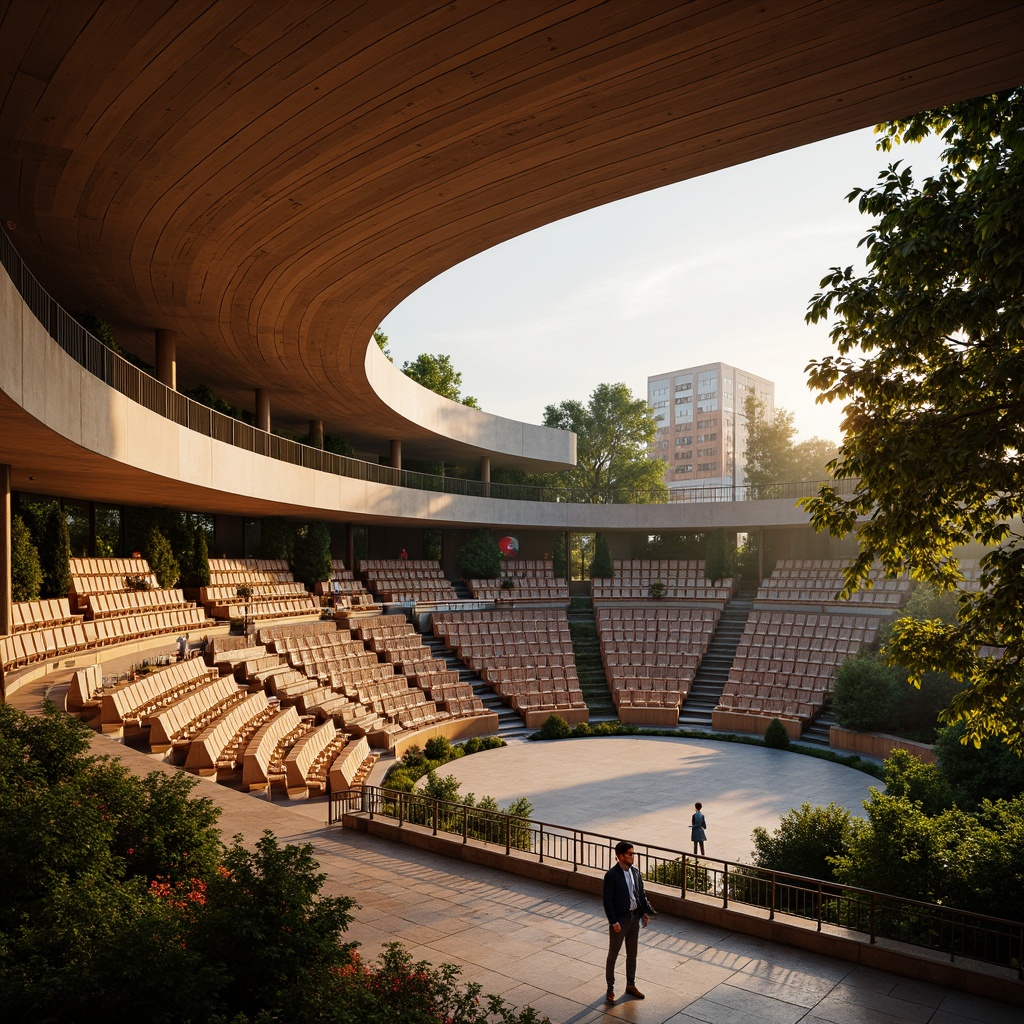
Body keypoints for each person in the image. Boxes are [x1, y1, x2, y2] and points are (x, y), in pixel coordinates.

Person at [602, 839, 654, 1004]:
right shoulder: (611, 875)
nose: (633, 856)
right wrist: (613, 921)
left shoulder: (635, 872)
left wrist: (645, 911)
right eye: (630, 854)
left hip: (634, 918)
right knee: (613, 954)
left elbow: (641, 894)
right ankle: (610, 988)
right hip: (620, 920)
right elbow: (607, 901)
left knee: (632, 954)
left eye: (633, 853)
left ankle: (630, 985)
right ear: (620, 856)